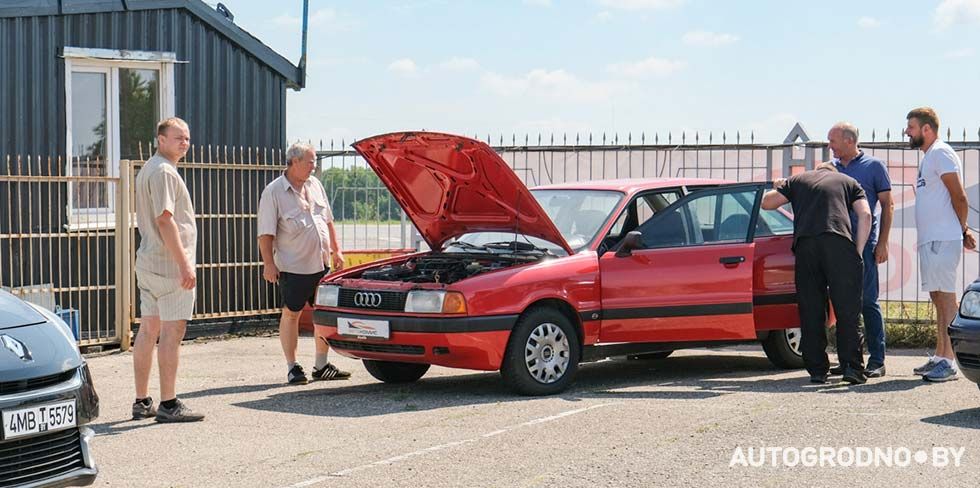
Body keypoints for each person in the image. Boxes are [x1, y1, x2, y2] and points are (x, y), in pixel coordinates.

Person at [762, 163, 872, 385]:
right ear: (834, 173)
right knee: (847, 310)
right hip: (839, 242)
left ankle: (817, 370)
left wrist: (778, 185)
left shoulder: (798, 180)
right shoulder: (849, 182)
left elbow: (767, 203)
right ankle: (852, 368)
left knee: (811, 308)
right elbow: (866, 215)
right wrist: (857, 251)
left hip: (806, 245)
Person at [131, 117, 204, 422]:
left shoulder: (150, 167)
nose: (184, 143)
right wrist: (185, 264)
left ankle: (142, 400)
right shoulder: (163, 171)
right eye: (177, 138)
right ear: (161, 139)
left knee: (148, 330)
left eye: (186, 138)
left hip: (149, 261)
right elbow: (165, 219)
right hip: (169, 267)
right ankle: (169, 404)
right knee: (172, 332)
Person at [258, 142, 349, 385]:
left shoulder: (315, 185)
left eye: (315, 162)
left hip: (321, 263)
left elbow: (327, 220)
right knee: (291, 314)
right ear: (294, 161)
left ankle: (321, 365)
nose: (314, 166)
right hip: (293, 266)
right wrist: (269, 263)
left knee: (323, 314)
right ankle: (292, 367)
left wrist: (336, 250)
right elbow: (265, 233)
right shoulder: (274, 192)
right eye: (310, 162)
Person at [906, 107, 977, 382]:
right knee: (938, 297)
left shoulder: (941, 153)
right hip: (933, 239)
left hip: (943, 238)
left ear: (927, 129)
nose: (907, 132)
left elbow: (959, 196)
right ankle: (939, 355)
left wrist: (963, 228)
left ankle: (948, 362)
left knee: (946, 297)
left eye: (911, 127)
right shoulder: (929, 157)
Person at [827, 122, 893, 378]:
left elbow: (888, 205)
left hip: (864, 246)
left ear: (848, 140)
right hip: (836, 245)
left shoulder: (874, 167)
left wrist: (883, 242)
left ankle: (877, 360)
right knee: (842, 304)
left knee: (867, 301)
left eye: (832, 141)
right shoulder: (830, 169)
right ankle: (849, 360)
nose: (830, 146)